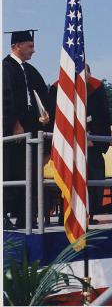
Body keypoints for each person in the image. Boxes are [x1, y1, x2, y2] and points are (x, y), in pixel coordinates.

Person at [48, 64, 111, 225]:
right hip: (67, 146)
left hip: (92, 144)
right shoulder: (58, 88)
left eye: (88, 73)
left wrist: (95, 140)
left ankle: (89, 214)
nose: (86, 77)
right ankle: (66, 214)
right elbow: (56, 117)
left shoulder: (96, 87)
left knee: (95, 178)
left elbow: (104, 117)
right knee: (68, 179)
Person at [2, 29, 50, 229]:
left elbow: (42, 97)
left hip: (31, 130)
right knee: (8, 172)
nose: (34, 50)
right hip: (11, 132)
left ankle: (25, 215)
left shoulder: (31, 71)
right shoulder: (5, 68)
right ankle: (3, 215)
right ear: (16, 46)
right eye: (30, 46)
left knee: (29, 173)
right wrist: (13, 124)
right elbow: (4, 97)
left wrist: (45, 116)